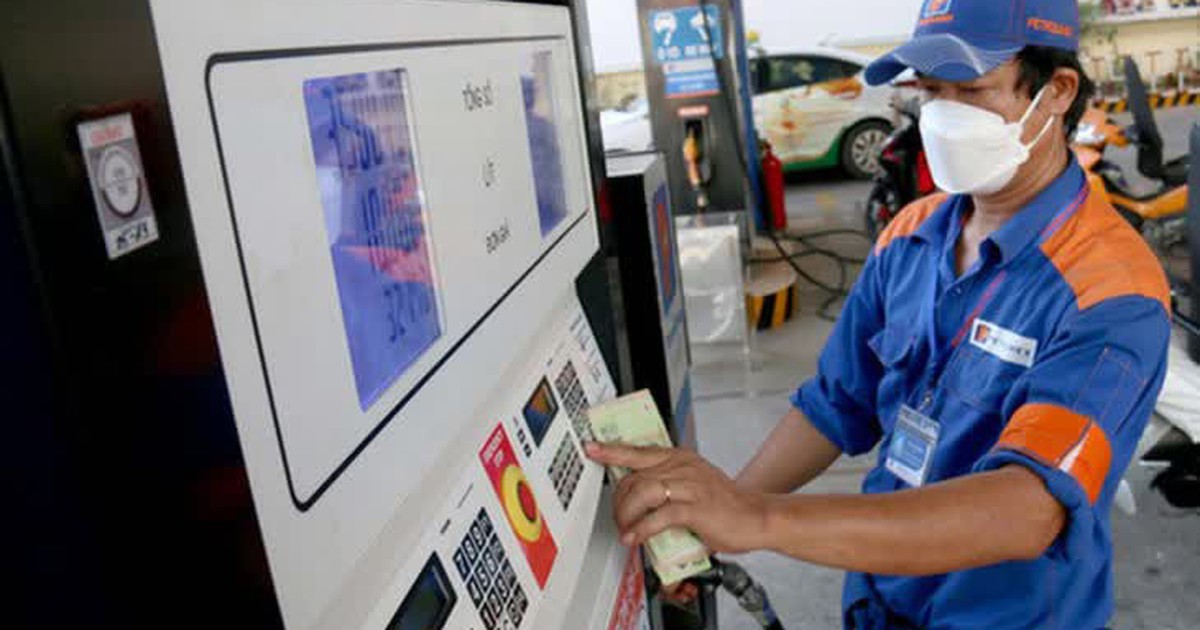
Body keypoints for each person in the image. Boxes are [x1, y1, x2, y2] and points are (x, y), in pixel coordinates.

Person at [585, 0, 1172, 627]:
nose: (942, 116)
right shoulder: (910, 235)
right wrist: (716, 518)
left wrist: (759, 520)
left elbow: (1028, 508)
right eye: (931, 92)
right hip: (880, 600)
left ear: (1056, 92)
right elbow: (836, 403)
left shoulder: (1111, 291)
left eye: (971, 90)